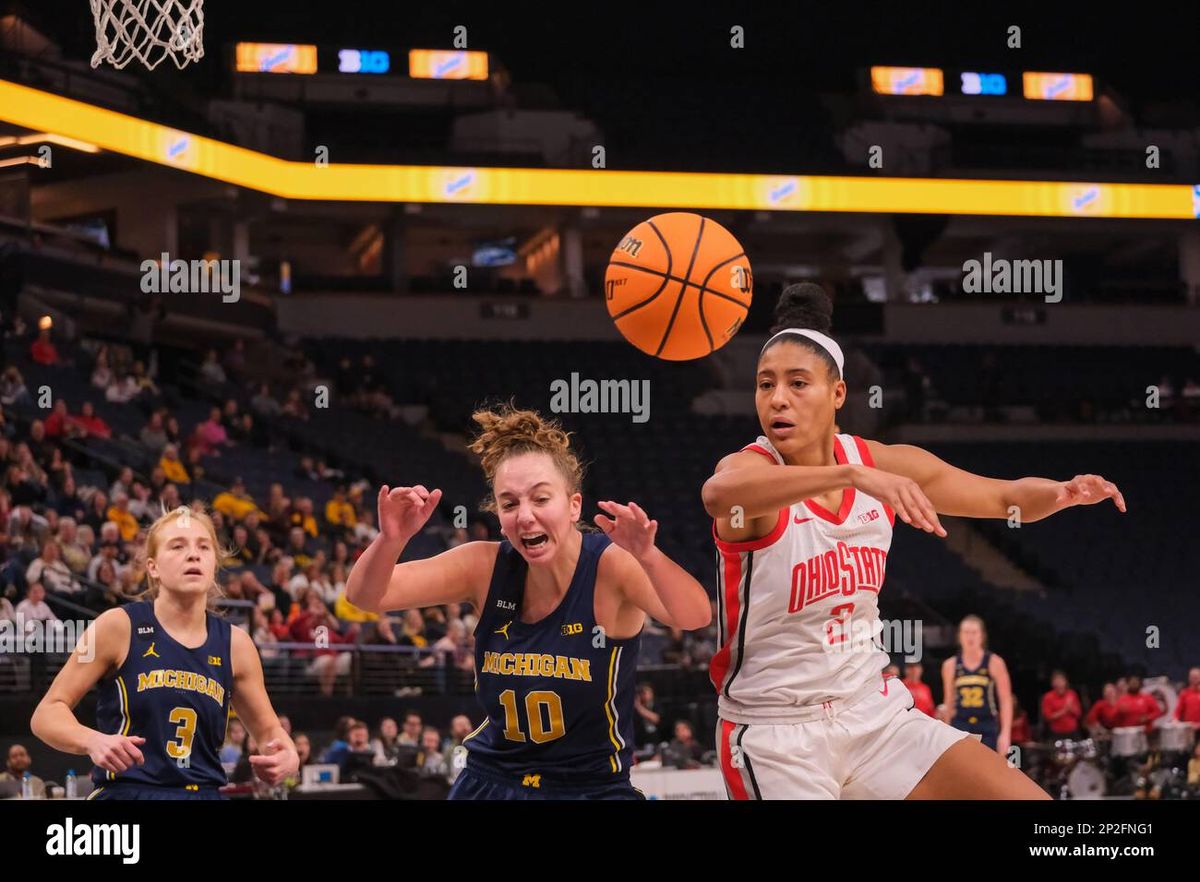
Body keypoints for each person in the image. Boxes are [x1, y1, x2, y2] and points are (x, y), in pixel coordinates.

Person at [703, 283, 1123, 799]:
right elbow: (720, 495)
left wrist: (1061, 492)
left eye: (797, 383)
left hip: (872, 710)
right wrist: (850, 478)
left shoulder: (882, 461)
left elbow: (1001, 499)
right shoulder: (753, 471)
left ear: (838, 394)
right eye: (765, 385)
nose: (777, 399)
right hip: (774, 732)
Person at [346, 404, 711, 800]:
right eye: (509, 504)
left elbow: (694, 616)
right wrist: (391, 540)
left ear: (573, 505)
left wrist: (649, 555)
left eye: (540, 499)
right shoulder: (483, 567)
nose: (524, 516)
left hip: (590, 788)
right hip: (492, 782)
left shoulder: (611, 568)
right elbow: (366, 596)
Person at [30, 505, 298, 799]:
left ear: (214, 564)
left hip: (203, 793)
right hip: (130, 792)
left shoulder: (236, 644)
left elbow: (270, 732)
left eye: (204, 547)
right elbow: (46, 714)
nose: (193, 554)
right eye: (177, 546)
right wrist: (92, 740)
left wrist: (287, 755)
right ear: (153, 567)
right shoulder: (117, 625)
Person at [942, 617, 1013, 755]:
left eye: (974, 632)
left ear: (982, 636)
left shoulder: (995, 662)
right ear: (959, 636)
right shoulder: (950, 665)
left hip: (986, 725)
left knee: (988, 772)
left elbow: (1005, 701)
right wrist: (945, 732)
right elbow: (949, 701)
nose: (970, 637)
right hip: (960, 725)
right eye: (966, 632)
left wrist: (1005, 734)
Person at [1041, 670, 1083, 739]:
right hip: (1056, 734)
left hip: (1073, 733)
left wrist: (1071, 708)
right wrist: (1064, 711)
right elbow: (1048, 717)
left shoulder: (1072, 694)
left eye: (1061, 681)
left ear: (1065, 682)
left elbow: (1079, 713)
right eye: (1057, 681)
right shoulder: (1048, 697)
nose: (1059, 684)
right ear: (1053, 683)